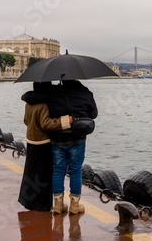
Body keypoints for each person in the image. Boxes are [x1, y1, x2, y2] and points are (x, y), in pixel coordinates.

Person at [18, 82, 72, 212]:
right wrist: (65, 120)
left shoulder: (29, 102)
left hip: (31, 141)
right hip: (43, 142)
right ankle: (42, 204)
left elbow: (26, 120)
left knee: (31, 173)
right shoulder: (43, 104)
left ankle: (29, 201)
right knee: (43, 174)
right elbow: (46, 124)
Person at [46, 79, 98, 214]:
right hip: (77, 139)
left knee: (58, 169)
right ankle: (75, 205)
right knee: (75, 170)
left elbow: (49, 113)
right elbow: (93, 114)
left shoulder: (53, 93)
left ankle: (58, 204)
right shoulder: (85, 92)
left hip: (57, 138)